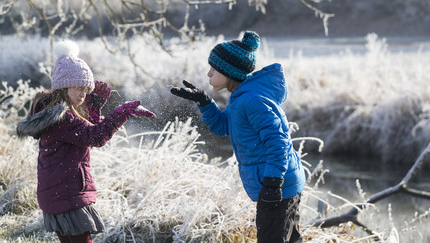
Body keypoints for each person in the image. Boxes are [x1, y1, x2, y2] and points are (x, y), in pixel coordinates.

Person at [170, 31, 305, 243]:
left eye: (214, 69)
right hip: (279, 182)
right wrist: (204, 102)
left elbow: (278, 141)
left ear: (229, 71)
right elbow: (225, 126)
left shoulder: (252, 100)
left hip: (279, 184)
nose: (208, 73)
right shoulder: (241, 97)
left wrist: (272, 182)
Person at [16, 40, 156, 243]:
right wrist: (122, 111)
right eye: (78, 88)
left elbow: (86, 133)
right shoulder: (62, 118)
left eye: (86, 88)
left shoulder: (58, 114)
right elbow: (96, 137)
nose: (83, 93)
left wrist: (94, 108)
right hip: (67, 194)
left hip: (58, 193)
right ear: (63, 87)